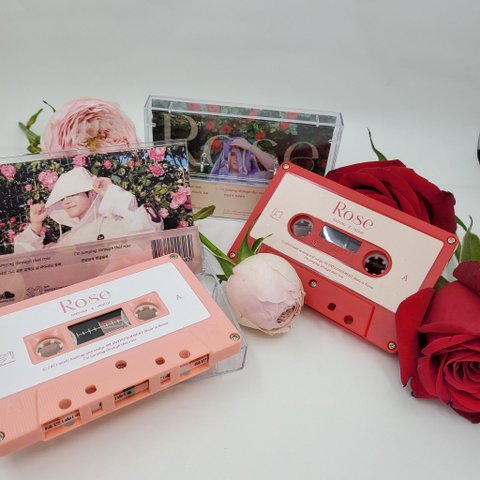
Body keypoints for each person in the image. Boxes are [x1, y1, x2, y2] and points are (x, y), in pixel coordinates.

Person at [14, 166, 161, 252]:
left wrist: (110, 191)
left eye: (72, 194)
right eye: (62, 198)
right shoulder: (68, 238)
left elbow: (146, 228)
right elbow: (34, 264)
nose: (66, 202)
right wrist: (35, 227)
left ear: (91, 194)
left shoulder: (114, 221)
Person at [210, 137, 278, 178]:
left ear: (247, 159)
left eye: (241, 155)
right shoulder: (217, 177)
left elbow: (278, 171)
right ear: (226, 156)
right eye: (233, 154)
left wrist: (250, 147)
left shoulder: (254, 178)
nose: (237, 158)